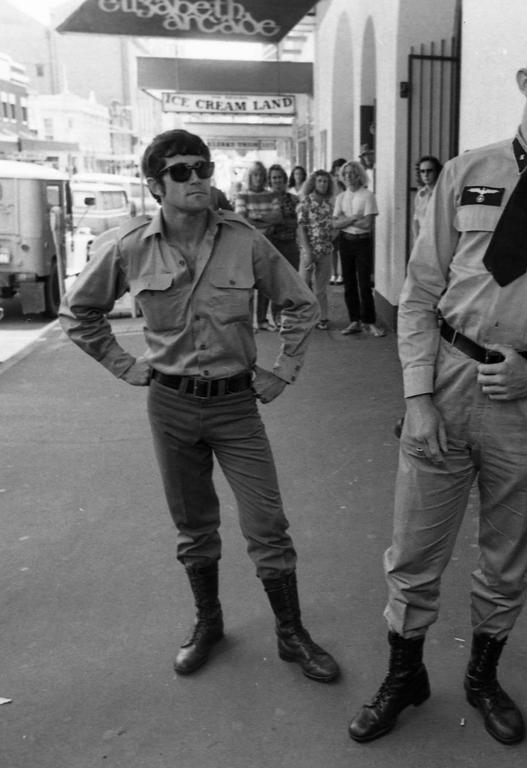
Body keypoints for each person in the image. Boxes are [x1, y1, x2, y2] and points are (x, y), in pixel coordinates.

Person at [347, 26, 527, 747]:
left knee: (507, 555)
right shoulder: (462, 173)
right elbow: (420, 293)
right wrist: (417, 396)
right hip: (447, 384)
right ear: (525, 81)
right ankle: (405, 673)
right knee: (415, 552)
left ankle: (483, 676)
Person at [58, 129, 340, 685]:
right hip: (172, 406)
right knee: (193, 526)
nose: (197, 180)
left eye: (203, 168)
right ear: (156, 184)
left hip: (237, 406)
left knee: (268, 524)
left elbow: (300, 304)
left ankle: (291, 633)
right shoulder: (130, 244)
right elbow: (78, 313)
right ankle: (208, 623)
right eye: (182, 171)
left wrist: (282, 370)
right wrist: (125, 364)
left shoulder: (245, 239)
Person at [332, 160, 385, 337]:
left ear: (359, 175)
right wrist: (355, 218)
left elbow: (368, 224)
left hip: (362, 242)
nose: (348, 176)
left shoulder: (368, 195)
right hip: (345, 241)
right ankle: (354, 320)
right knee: (349, 283)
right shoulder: (340, 197)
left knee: (364, 283)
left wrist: (347, 219)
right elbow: (335, 224)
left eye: (352, 173)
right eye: (345, 174)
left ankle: (369, 321)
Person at [234, 161, 281, 330]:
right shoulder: (242, 195)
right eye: (255, 174)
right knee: (248, 284)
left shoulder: (272, 195)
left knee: (265, 284)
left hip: (269, 244)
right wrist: (264, 219)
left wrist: (255, 217)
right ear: (249, 176)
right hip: (249, 244)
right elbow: (242, 219)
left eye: (261, 174)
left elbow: (277, 217)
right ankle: (248, 322)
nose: (258, 178)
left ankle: (262, 320)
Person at [296, 169, 337, 329]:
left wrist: (331, 236)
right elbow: (301, 228)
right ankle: (304, 317)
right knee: (304, 285)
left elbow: (335, 224)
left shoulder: (330, 205)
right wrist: (307, 251)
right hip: (309, 250)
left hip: (325, 251)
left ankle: (322, 317)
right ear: (314, 183)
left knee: (321, 287)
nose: (323, 184)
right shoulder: (306, 203)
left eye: (326, 181)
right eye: (320, 181)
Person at [266, 164, 301, 328]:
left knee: (291, 281)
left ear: (285, 180)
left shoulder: (293, 199)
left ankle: (289, 314)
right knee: (275, 283)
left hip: (290, 245)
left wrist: (281, 221)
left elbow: (298, 222)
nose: (277, 180)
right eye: (274, 177)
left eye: (280, 177)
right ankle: (276, 315)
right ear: (270, 180)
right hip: (272, 245)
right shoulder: (264, 199)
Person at [411, 155, 442, 243]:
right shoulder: (420, 194)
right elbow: (416, 219)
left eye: (429, 171)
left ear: (437, 172)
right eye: (422, 171)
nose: (426, 175)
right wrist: (416, 240)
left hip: (439, 240)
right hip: (423, 240)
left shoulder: (443, 193)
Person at [329, 157, 348, 285]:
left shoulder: (347, 182)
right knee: (332, 248)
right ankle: (333, 273)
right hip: (332, 217)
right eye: (337, 169)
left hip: (345, 218)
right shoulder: (330, 182)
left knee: (343, 248)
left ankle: (341, 274)